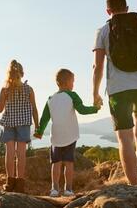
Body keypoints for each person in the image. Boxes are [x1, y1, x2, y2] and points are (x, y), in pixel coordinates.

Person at [92, 0, 137, 186]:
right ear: (127, 8)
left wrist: (95, 92)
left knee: (124, 136)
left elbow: (97, 66)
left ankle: (134, 186)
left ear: (108, 10)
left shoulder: (104, 30)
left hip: (119, 88)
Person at [34, 69, 100, 197]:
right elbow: (82, 110)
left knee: (56, 163)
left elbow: (44, 118)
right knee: (69, 163)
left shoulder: (50, 99)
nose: (73, 84)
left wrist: (40, 131)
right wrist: (95, 108)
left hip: (56, 137)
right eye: (73, 81)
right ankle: (68, 189)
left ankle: (54, 189)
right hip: (70, 135)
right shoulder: (72, 95)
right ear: (68, 81)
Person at [0, 60, 39, 193]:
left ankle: (9, 182)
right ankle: (20, 184)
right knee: (21, 154)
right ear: (22, 73)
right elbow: (34, 109)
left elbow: (0, 109)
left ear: (9, 74)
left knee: (10, 153)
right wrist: (37, 126)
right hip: (24, 123)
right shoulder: (29, 89)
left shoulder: (5, 90)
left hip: (9, 123)